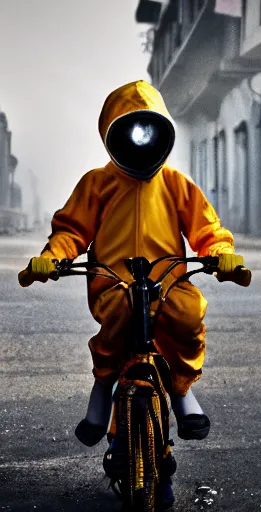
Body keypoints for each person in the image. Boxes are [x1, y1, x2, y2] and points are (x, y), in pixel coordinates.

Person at [18, 80, 246, 451]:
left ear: (163, 131)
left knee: (188, 317)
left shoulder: (176, 184)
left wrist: (221, 253)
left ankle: (181, 389)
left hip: (169, 282)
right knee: (118, 322)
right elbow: (72, 229)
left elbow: (206, 228)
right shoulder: (97, 183)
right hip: (113, 283)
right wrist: (52, 258)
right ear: (112, 132)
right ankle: (102, 388)